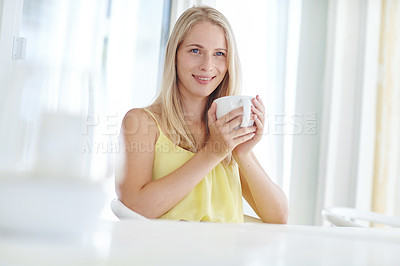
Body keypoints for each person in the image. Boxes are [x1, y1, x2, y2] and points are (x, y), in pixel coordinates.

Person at [116, 6, 288, 223]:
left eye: (219, 54)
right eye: (195, 51)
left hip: (225, 256)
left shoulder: (227, 132)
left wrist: (242, 153)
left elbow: (279, 216)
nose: (208, 66)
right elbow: (135, 207)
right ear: (175, 56)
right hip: (164, 254)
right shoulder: (141, 122)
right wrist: (213, 152)